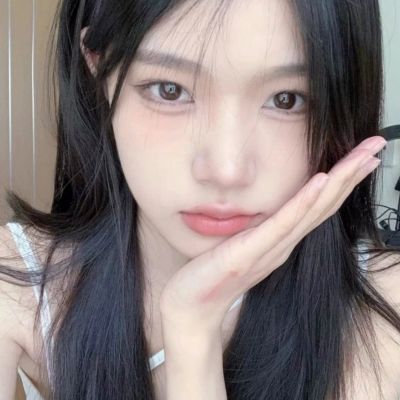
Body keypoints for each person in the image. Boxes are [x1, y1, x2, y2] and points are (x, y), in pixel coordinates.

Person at [0, 0, 399, 399]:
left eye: (287, 99)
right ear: (99, 69)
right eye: (169, 90)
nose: (227, 170)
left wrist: (193, 330)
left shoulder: (388, 304)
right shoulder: (17, 282)